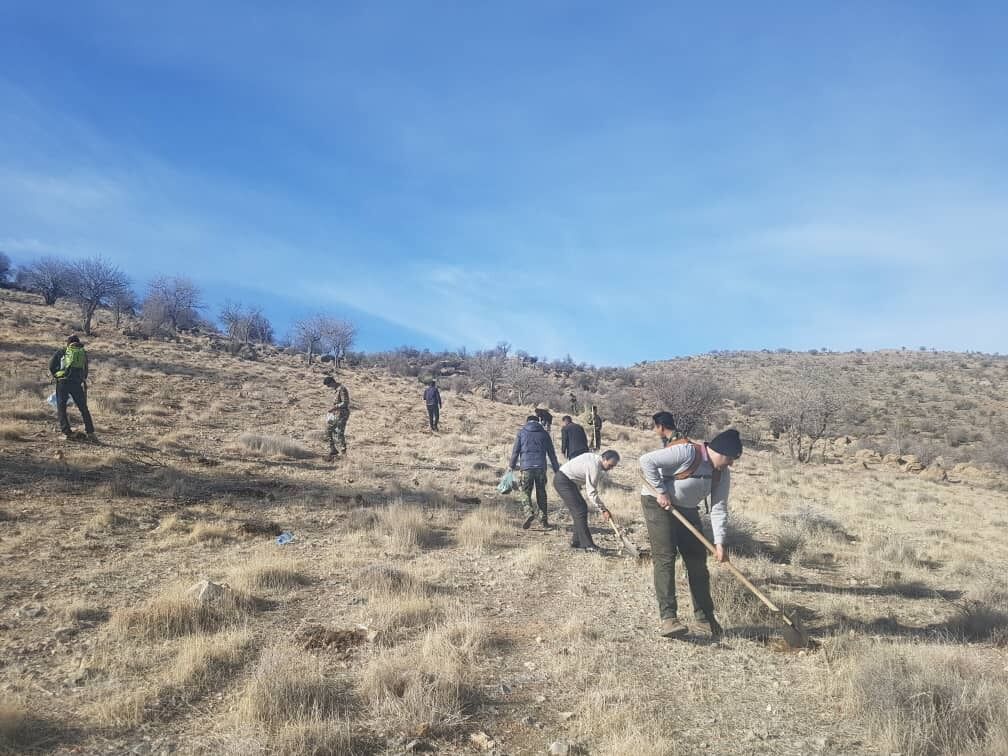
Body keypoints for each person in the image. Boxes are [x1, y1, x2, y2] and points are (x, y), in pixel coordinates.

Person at [639, 415, 742, 640]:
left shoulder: (721, 472)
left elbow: (719, 507)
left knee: (697, 561)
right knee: (666, 557)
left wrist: (719, 543)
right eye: (731, 459)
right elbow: (646, 461)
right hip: (658, 504)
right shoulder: (688, 452)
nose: (731, 464)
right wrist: (662, 491)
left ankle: (705, 619)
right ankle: (669, 619)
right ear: (721, 452)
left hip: (687, 508)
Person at [554, 450, 620, 551]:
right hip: (563, 481)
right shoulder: (594, 467)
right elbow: (591, 493)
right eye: (610, 465)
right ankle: (587, 545)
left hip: (568, 481)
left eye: (613, 466)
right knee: (579, 511)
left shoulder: (593, 458)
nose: (611, 469)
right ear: (604, 459)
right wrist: (603, 510)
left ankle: (576, 541)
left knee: (581, 509)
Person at [509, 415, 560, 529]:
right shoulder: (544, 433)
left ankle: (529, 512)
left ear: (527, 422)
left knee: (525, 492)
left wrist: (511, 466)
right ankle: (543, 520)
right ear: (539, 422)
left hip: (526, 468)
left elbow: (515, 452)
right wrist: (557, 469)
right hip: (541, 467)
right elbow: (552, 453)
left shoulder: (521, 433)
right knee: (541, 493)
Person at [49, 335, 96, 441]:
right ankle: (90, 432)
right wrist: (81, 379)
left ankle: (67, 432)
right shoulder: (82, 353)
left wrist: (58, 376)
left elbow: (51, 366)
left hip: (63, 382)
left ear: (68, 343)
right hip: (76, 383)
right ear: (78, 343)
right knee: (83, 408)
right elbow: (85, 370)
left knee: (61, 407)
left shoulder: (62, 351)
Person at [323, 376, 350, 459]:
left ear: (332, 382)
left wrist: (335, 407)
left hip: (342, 414)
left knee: (339, 433)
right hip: (336, 414)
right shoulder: (336, 390)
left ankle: (343, 453)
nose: (329, 387)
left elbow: (345, 402)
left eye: (329, 385)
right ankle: (333, 450)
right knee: (328, 431)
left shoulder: (342, 389)